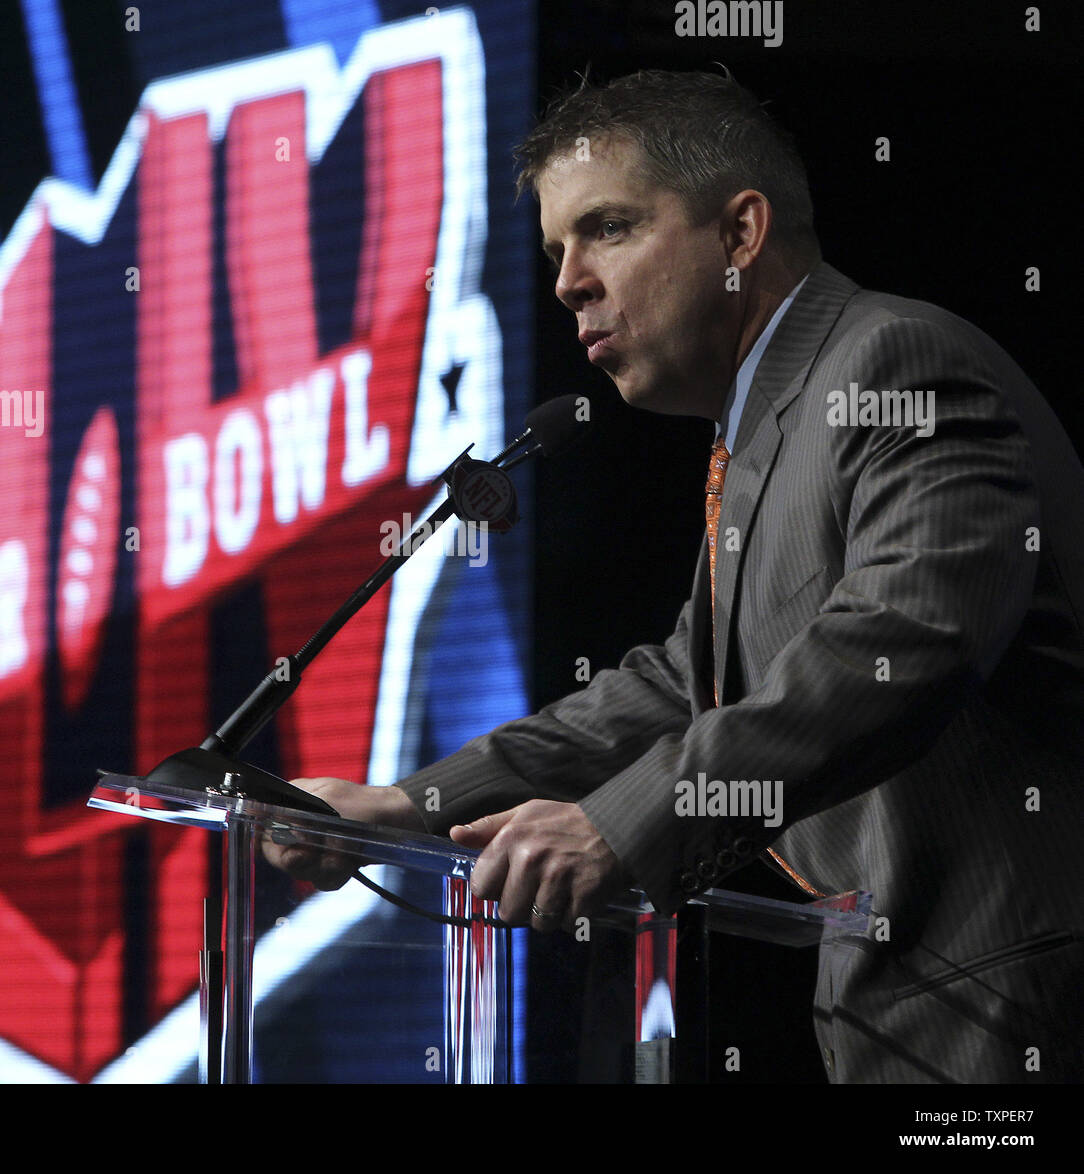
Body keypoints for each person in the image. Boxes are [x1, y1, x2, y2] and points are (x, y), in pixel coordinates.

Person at [264, 69, 1084, 1083]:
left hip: (1010, 1003)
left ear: (740, 234)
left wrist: (623, 821)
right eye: (557, 248)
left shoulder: (892, 366)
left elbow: (904, 639)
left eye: (605, 228)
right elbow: (678, 689)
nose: (566, 280)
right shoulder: (761, 425)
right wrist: (409, 804)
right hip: (911, 1009)